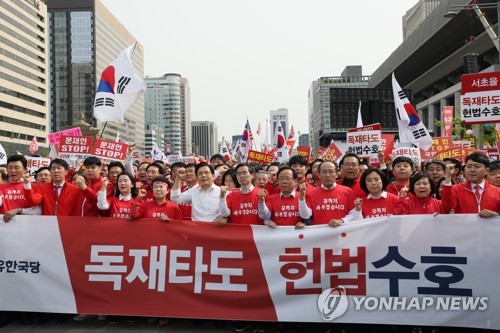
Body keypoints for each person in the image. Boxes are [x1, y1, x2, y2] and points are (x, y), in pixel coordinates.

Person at [299, 161, 362, 226]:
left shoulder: (348, 191)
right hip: (320, 235)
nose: (327, 175)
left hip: (343, 234)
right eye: (324, 172)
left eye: (331, 172)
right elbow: (306, 215)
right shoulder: (311, 194)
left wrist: (341, 221)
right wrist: (301, 197)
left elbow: (355, 213)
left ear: (337, 174)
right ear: (319, 175)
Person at [23, 159, 94, 216]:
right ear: (50, 172)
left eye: (59, 168)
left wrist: (84, 187)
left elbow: (88, 203)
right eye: (53, 168)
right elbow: (33, 201)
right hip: (47, 224)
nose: (56, 171)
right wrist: (27, 185)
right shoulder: (43, 188)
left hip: (67, 226)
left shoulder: (75, 189)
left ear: (66, 172)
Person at [441, 152, 500, 217]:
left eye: (477, 166)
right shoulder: (456, 189)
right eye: (469, 166)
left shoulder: (497, 192)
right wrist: (448, 177)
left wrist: (496, 214)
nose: (472, 170)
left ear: (487, 171)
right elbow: (446, 208)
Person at [0, 155, 40, 221]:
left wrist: (18, 210)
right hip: (4, 226)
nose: (13, 171)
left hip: (26, 226)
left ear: (25, 169)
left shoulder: (34, 186)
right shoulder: (1, 187)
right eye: (10, 167)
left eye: (16, 167)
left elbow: (38, 210)